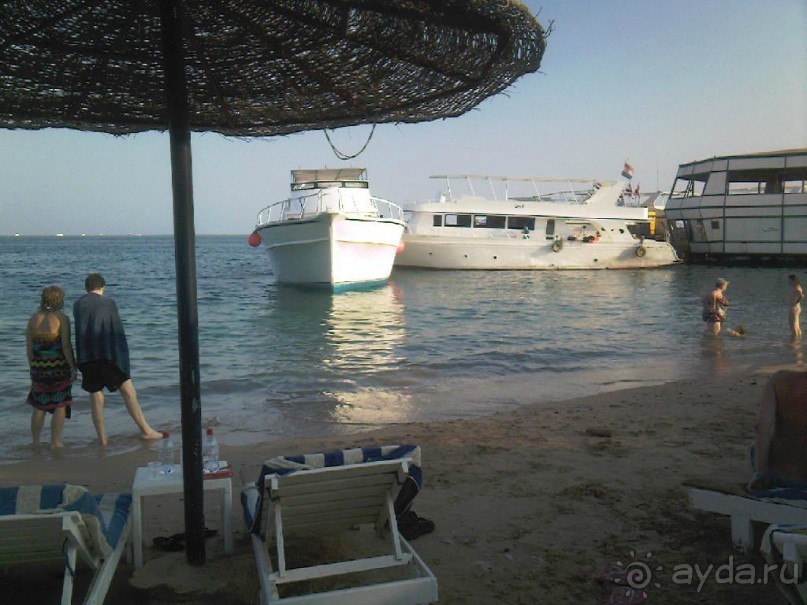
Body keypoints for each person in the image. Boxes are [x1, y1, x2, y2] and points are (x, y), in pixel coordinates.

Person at [73, 273, 161, 446]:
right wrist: (122, 358)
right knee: (129, 392)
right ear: (102, 287)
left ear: (86, 288)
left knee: (96, 397)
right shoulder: (109, 303)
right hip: (108, 356)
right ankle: (146, 430)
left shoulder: (77, 304)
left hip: (87, 356)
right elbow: (115, 331)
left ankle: (102, 439)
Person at [26, 286, 76, 448]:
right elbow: (66, 346)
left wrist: (32, 367)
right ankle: (55, 441)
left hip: (39, 368)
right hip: (58, 367)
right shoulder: (62, 319)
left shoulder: (33, 319)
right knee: (60, 403)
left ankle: (35, 441)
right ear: (59, 301)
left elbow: (29, 347)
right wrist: (73, 367)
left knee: (39, 405)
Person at [747, 370, 807, 492]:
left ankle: (762, 474)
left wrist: (761, 474)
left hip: (776, 474)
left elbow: (761, 427)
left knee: (753, 447)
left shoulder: (779, 379)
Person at [788, 274, 803, 342]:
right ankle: (798, 340)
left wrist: (796, 302)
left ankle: (793, 342)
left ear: (792, 280)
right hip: (795, 307)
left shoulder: (796, 287)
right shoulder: (796, 286)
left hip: (794, 308)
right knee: (796, 325)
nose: (788, 282)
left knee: (792, 325)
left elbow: (801, 295)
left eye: (789, 280)